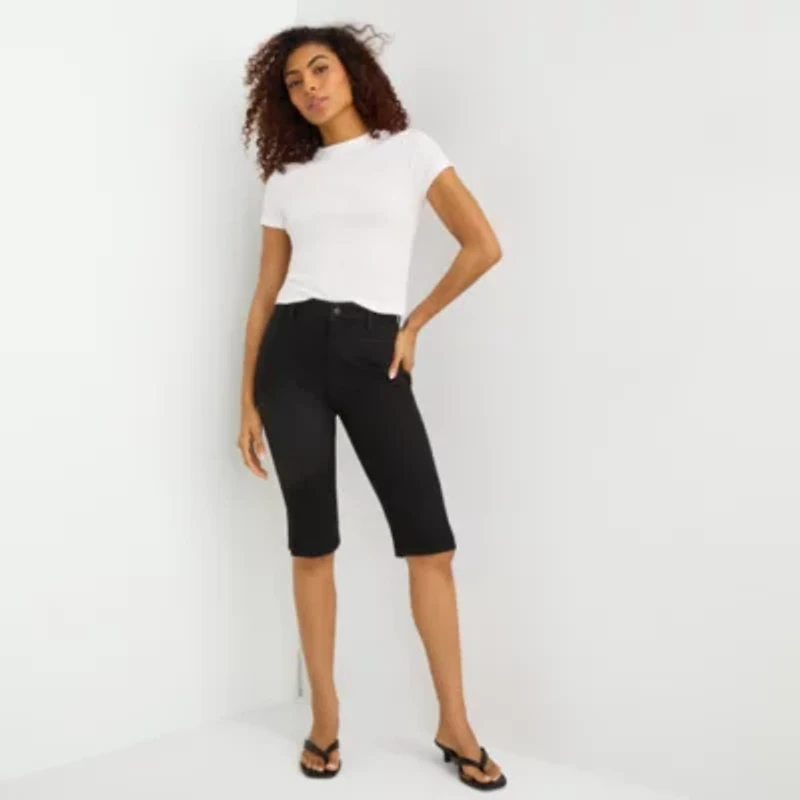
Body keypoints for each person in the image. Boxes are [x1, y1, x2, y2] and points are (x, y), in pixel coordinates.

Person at [239, 23, 506, 791]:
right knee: (312, 545)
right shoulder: (288, 177)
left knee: (430, 543)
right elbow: (265, 293)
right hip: (291, 358)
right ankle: (324, 718)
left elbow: (482, 245)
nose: (309, 88)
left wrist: (413, 324)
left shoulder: (411, 152)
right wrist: (245, 399)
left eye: (320, 69)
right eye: (294, 82)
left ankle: (455, 724)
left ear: (352, 72)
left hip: (373, 351)